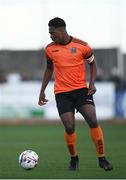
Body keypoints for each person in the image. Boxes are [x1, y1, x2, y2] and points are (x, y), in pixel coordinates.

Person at [38, 17, 113, 171]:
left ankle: (102, 158)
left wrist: (91, 83)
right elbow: (49, 69)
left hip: (80, 90)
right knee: (69, 126)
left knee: (92, 120)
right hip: (62, 93)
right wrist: (42, 90)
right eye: (49, 33)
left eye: (52, 33)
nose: (51, 36)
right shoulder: (50, 49)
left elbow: (92, 64)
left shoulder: (82, 46)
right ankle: (74, 159)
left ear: (61, 30)